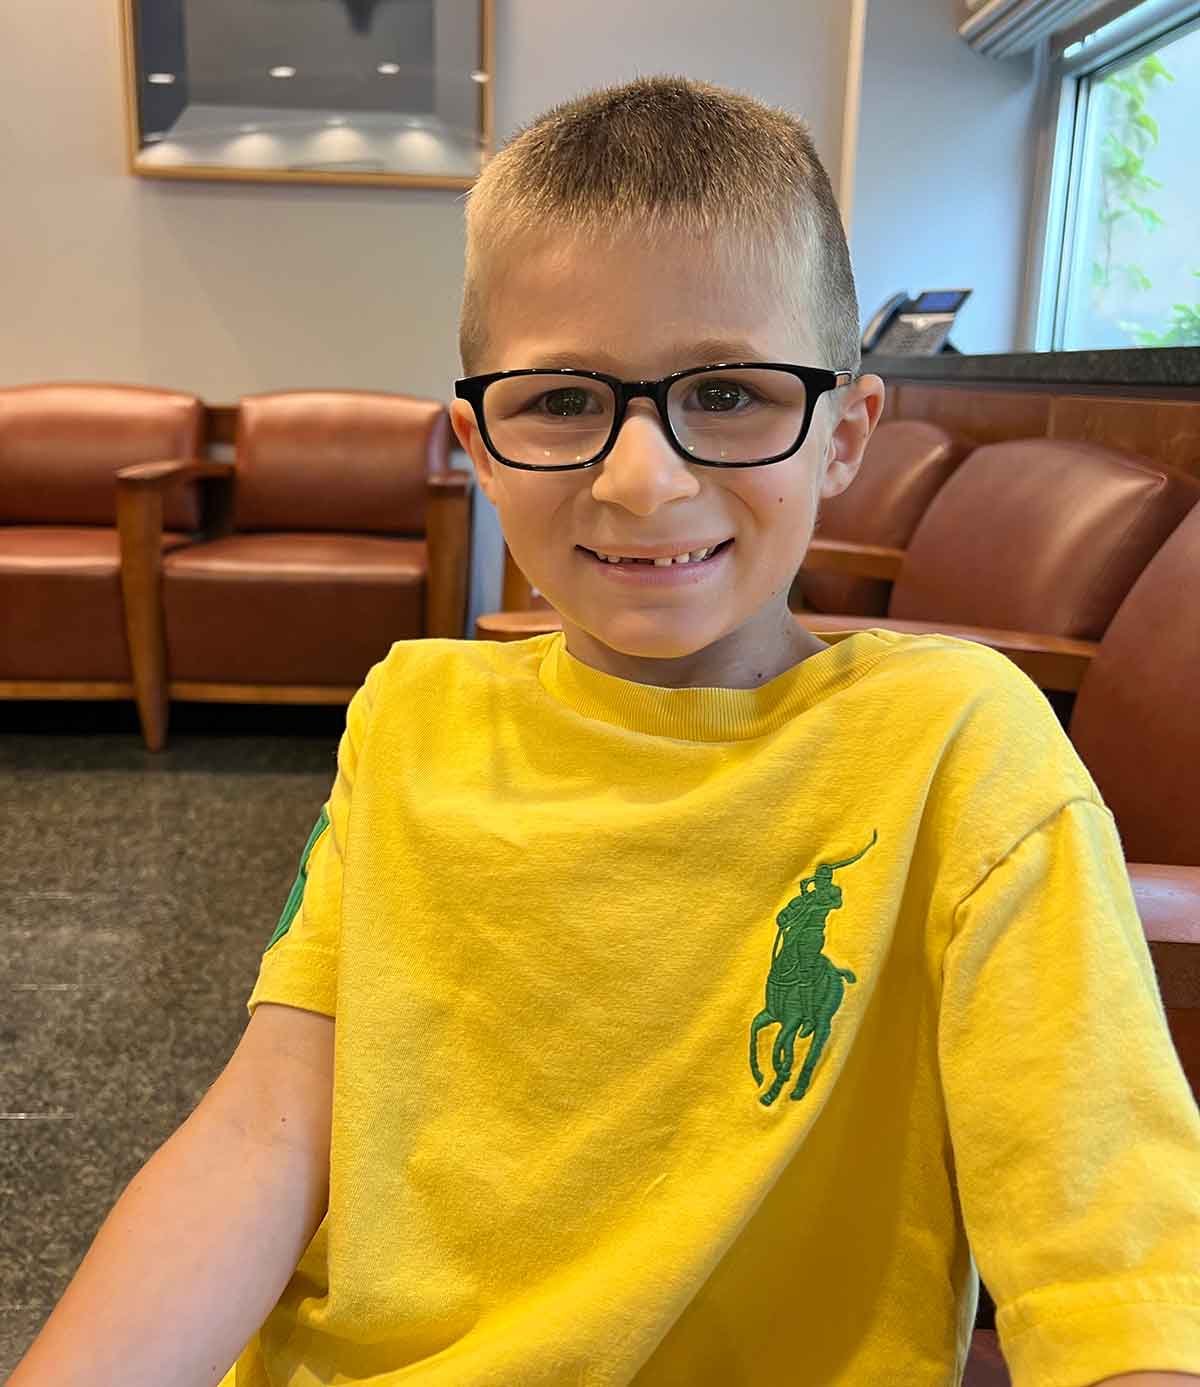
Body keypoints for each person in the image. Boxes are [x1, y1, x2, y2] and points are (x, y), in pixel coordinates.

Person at [11, 76, 1200, 1387]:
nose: (644, 478)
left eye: (734, 394)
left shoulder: (958, 751)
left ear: (846, 435)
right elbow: (267, 1137)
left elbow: (1116, 1263)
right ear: (477, 442)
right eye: (564, 402)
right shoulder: (416, 716)